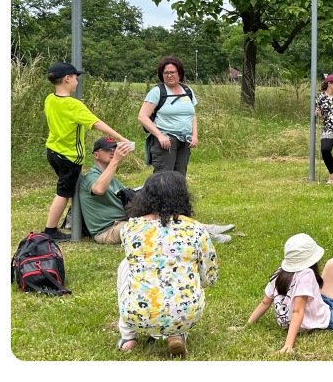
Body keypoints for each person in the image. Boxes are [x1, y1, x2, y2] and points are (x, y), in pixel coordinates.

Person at [116, 170, 218, 356]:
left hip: (138, 313)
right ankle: (177, 334)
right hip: (186, 313)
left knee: (126, 265)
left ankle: (128, 337)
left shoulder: (130, 228)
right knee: (183, 278)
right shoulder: (195, 229)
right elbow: (209, 277)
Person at [79, 136, 234, 245]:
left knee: (162, 208)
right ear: (96, 155)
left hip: (123, 222)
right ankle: (204, 235)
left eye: (115, 149)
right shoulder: (92, 176)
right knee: (159, 223)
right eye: (108, 150)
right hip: (108, 231)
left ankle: (205, 228)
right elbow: (98, 189)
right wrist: (116, 161)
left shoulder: (109, 175)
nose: (113, 152)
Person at [42, 61, 130, 242]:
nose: (77, 82)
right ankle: (50, 230)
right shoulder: (74, 106)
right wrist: (120, 138)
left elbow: (64, 111)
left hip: (52, 151)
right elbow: (97, 123)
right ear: (67, 79)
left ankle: (75, 222)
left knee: (69, 189)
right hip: (69, 157)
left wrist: (76, 105)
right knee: (64, 193)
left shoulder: (50, 99)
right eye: (75, 78)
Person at [138, 56, 197, 175]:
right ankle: (157, 194)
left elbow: (192, 115)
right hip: (166, 141)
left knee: (180, 176)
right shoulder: (157, 91)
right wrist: (160, 136)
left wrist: (194, 135)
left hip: (185, 140)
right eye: (166, 73)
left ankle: (178, 194)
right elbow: (143, 116)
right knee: (163, 178)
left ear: (179, 73)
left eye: (172, 72)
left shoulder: (187, 90)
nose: (169, 75)